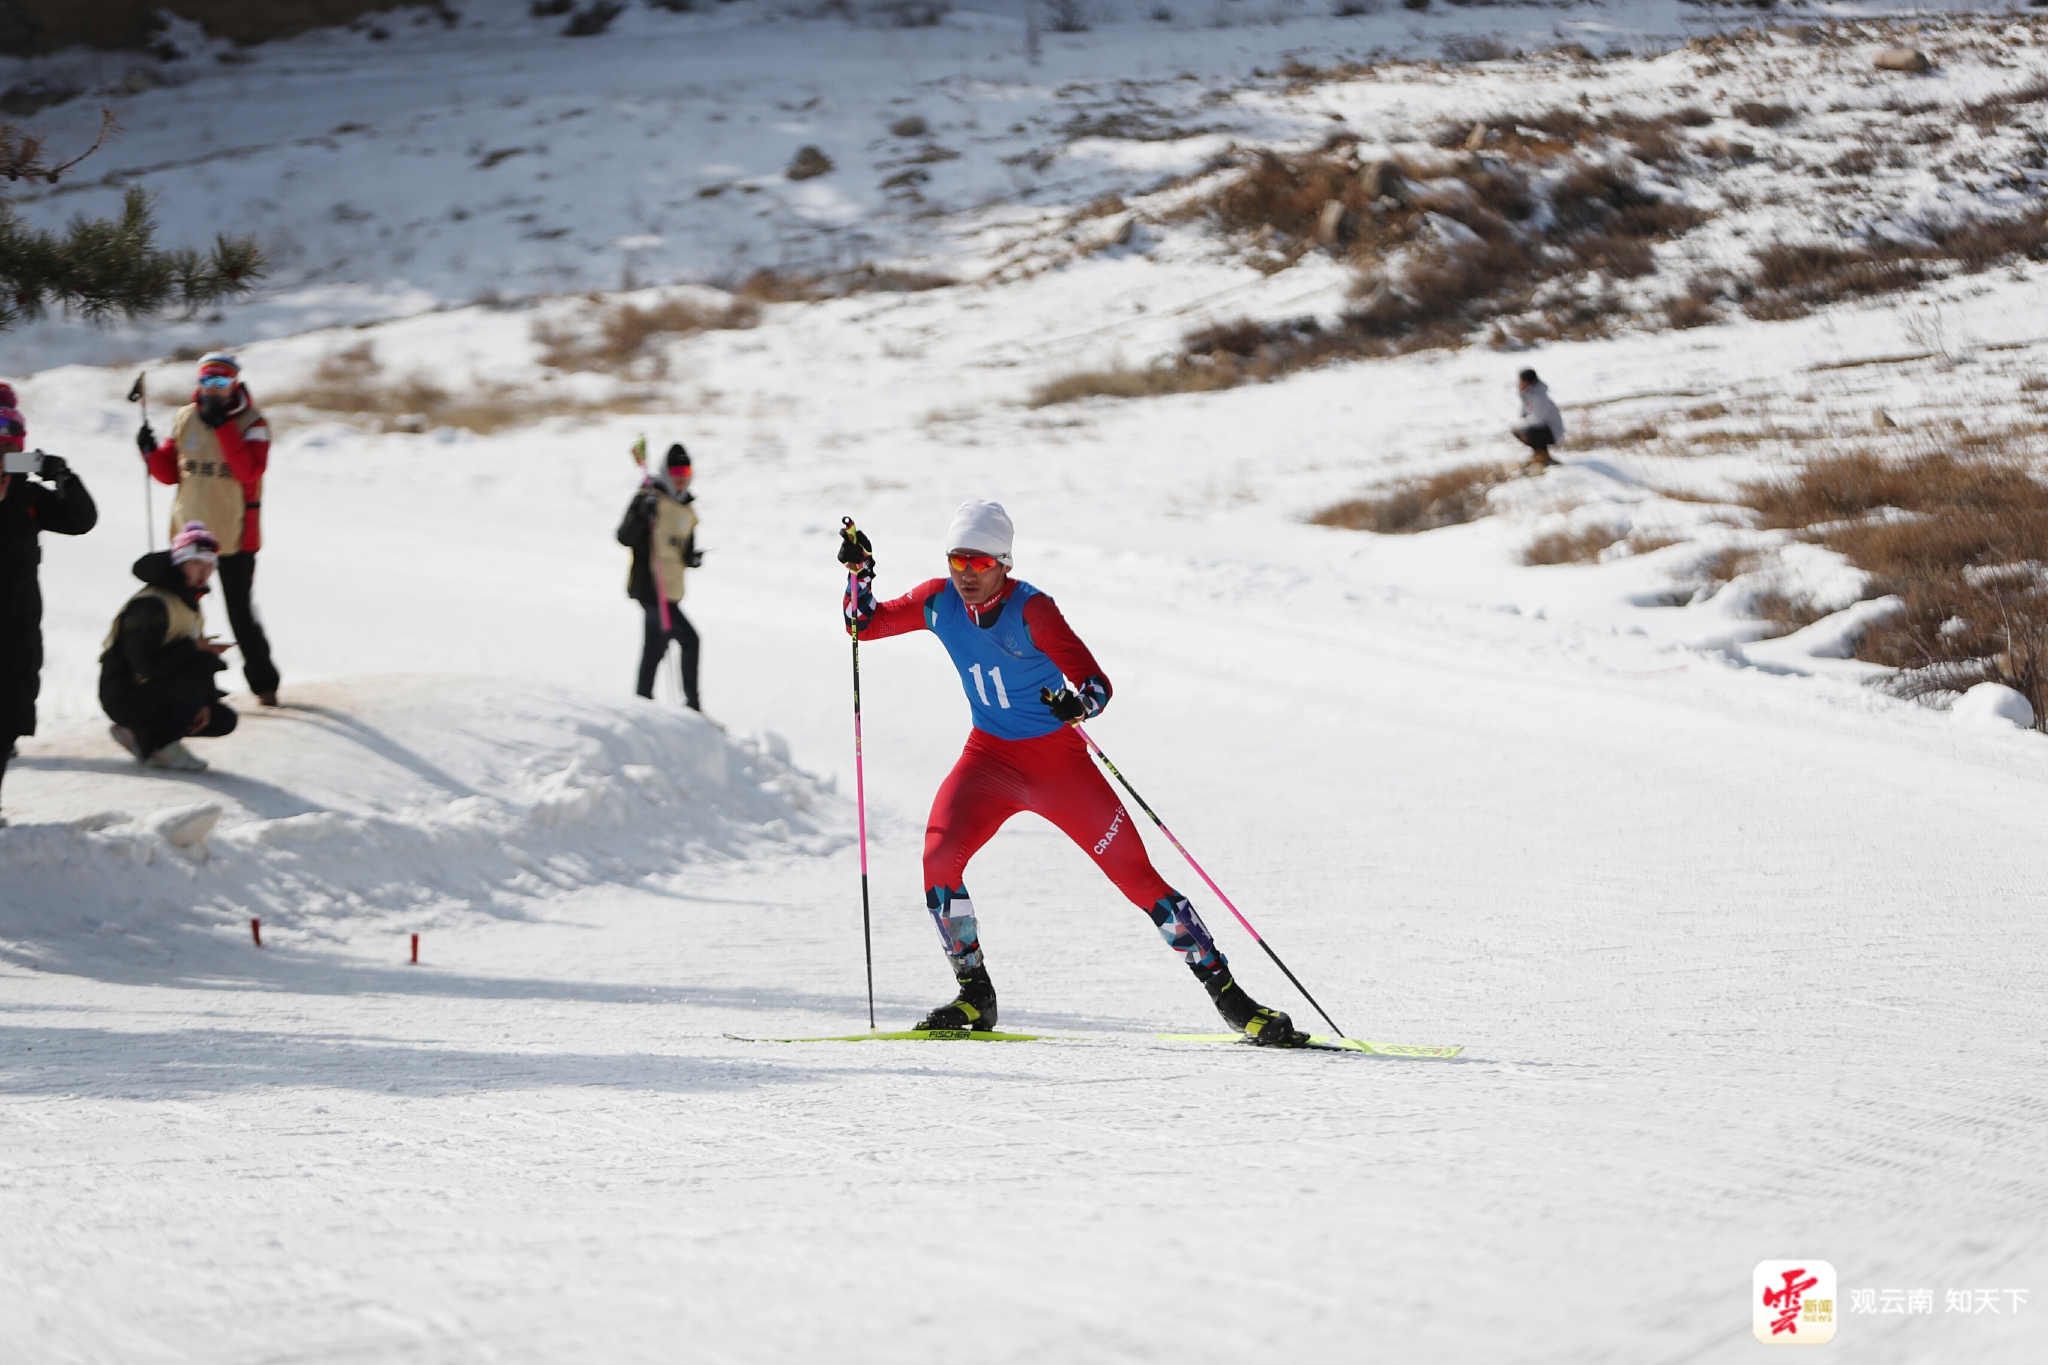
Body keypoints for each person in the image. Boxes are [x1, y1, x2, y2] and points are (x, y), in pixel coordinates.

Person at [838, 499, 1307, 1046]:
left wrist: (1076, 705)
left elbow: (1097, 685)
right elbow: (862, 626)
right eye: (957, 561)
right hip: (988, 760)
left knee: (1139, 879)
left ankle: (1234, 1000)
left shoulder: (1033, 609)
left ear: (1004, 563)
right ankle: (975, 996)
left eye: (979, 563)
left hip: (1059, 766)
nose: (966, 574)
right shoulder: (937, 601)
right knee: (939, 860)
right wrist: (860, 574)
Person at [136, 352, 280, 705]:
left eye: (220, 381)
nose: (212, 389)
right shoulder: (186, 417)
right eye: (206, 381)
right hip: (188, 532)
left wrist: (222, 427)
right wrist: (151, 453)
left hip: (234, 535)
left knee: (239, 613)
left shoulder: (253, 422)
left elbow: (249, 471)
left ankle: (264, 685)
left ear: (234, 383)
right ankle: (186, 689)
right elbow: (171, 474)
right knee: (181, 613)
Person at [0, 389, 97, 826]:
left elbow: (80, 520)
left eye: (8, 454)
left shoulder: (28, 498)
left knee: (6, 717)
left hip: (17, 628)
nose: (1, 468)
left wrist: (60, 473)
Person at [100, 522, 238, 772]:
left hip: (151, 690)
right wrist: (195, 648)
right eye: (197, 563)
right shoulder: (152, 603)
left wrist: (204, 704)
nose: (204, 572)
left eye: (209, 565)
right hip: (125, 695)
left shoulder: (187, 600)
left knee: (222, 719)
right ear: (180, 562)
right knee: (202, 664)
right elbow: (146, 664)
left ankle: (143, 735)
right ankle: (158, 744)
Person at [617, 442, 702, 710]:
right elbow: (624, 536)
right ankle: (692, 704)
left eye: (685, 470)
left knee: (655, 647)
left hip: (672, 590)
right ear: (666, 471)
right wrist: (642, 514)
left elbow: (683, 551)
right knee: (690, 639)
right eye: (675, 470)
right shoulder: (648, 497)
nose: (680, 476)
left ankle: (642, 703)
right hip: (651, 588)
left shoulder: (687, 510)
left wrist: (693, 558)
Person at [1512, 367, 1565, 472]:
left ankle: (1544, 456)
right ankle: (1538, 454)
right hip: (1542, 428)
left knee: (1529, 431)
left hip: (1553, 431)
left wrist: (1521, 425)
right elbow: (1523, 416)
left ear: (1526, 382)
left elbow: (1538, 419)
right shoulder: (1527, 396)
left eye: (1520, 381)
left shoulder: (1539, 397)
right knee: (1519, 430)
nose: (1518, 384)